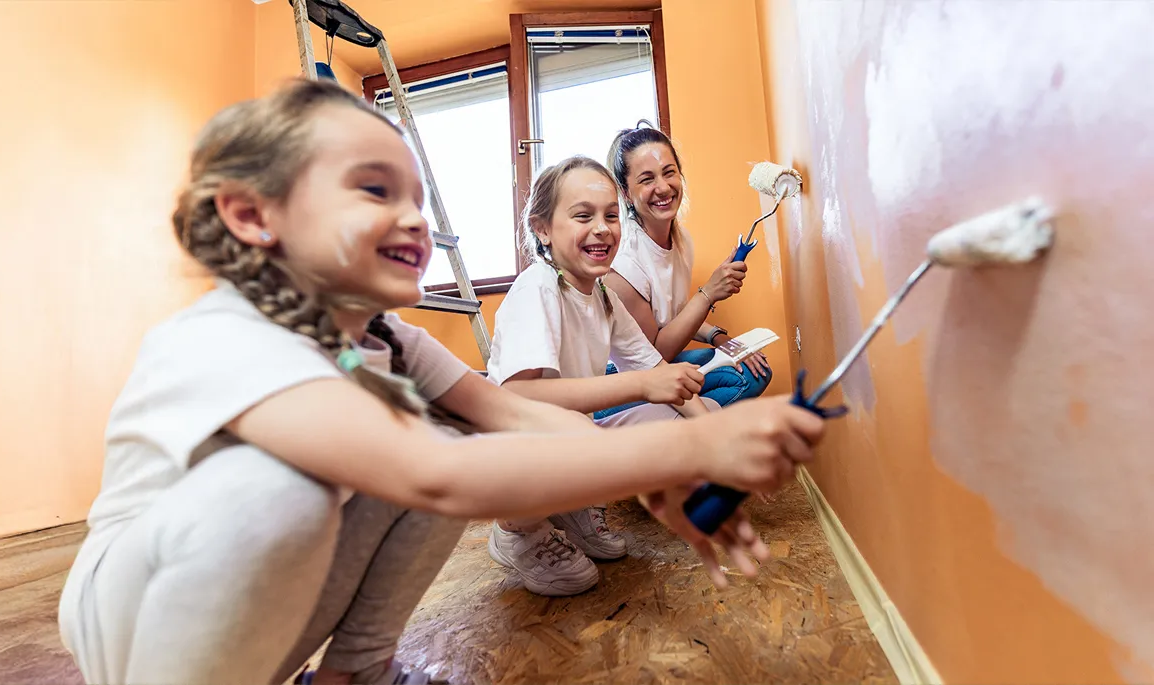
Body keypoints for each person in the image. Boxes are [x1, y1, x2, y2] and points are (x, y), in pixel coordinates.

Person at [57, 80, 824, 685]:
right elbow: (437, 474)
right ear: (254, 214)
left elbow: (508, 415)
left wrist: (668, 472)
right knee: (289, 492)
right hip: (132, 627)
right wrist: (673, 451)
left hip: (247, 602)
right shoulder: (229, 335)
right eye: (373, 190)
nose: (415, 219)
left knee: (450, 423)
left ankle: (358, 668)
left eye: (416, 198)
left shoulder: (389, 338)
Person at [485, 156, 719, 597]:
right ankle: (518, 532)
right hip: (513, 453)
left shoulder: (604, 297)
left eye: (611, 215)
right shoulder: (538, 286)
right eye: (582, 216)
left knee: (677, 425)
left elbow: (656, 371)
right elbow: (517, 395)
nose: (603, 228)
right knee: (578, 428)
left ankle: (573, 511)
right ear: (542, 229)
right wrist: (639, 385)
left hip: (567, 440)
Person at [598, 121, 773, 421]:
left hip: (659, 365)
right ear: (626, 193)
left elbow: (672, 317)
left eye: (669, 173)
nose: (663, 187)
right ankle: (687, 437)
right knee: (728, 386)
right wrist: (708, 294)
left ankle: (683, 430)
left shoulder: (681, 241)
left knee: (751, 371)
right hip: (620, 380)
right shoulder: (624, 264)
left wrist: (721, 339)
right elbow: (655, 355)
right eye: (647, 179)